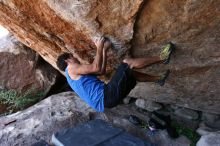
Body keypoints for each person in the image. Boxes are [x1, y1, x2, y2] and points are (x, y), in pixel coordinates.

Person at [56, 37, 175, 112]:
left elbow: (100, 71)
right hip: (106, 95)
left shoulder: (73, 78)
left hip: (108, 101)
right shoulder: (71, 68)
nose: (77, 60)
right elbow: (95, 67)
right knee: (127, 63)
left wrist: (104, 51)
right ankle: (162, 58)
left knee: (130, 74)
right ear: (68, 60)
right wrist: (99, 46)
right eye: (74, 58)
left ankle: (158, 79)